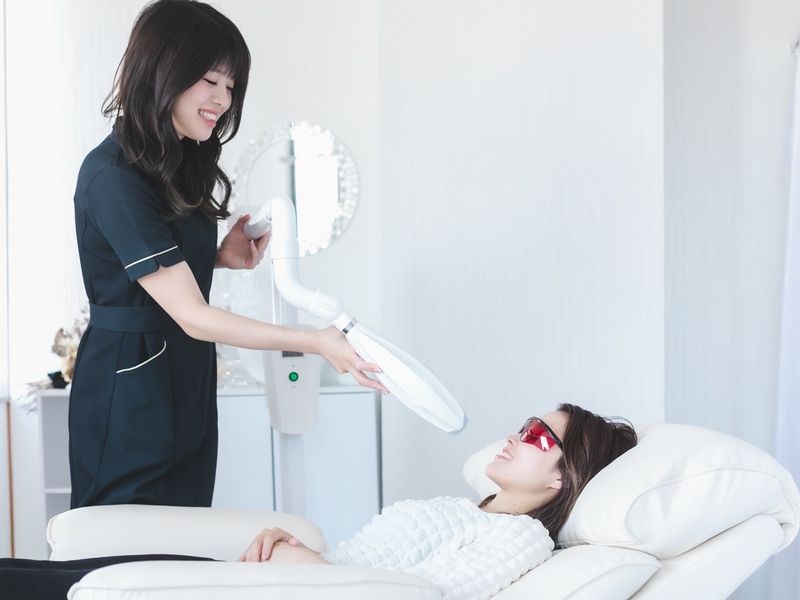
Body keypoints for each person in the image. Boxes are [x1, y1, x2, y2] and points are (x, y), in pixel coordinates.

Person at [68, 0, 386, 511]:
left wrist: (219, 256)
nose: (222, 99)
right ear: (162, 71)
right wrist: (313, 341)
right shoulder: (113, 176)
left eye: (231, 86)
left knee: (188, 534)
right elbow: (192, 314)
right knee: (128, 541)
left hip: (186, 374)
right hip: (129, 384)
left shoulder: (176, 163)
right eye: (210, 80)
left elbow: (152, 267)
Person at [0, 404, 637, 600]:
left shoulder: (520, 538)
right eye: (524, 423)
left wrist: (305, 566)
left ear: (564, 479)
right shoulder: (465, 509)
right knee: (41, 574)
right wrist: (292, 551)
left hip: (289, 588)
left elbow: (424, 596)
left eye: (538, 437)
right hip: (273, 578)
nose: (515, 436)